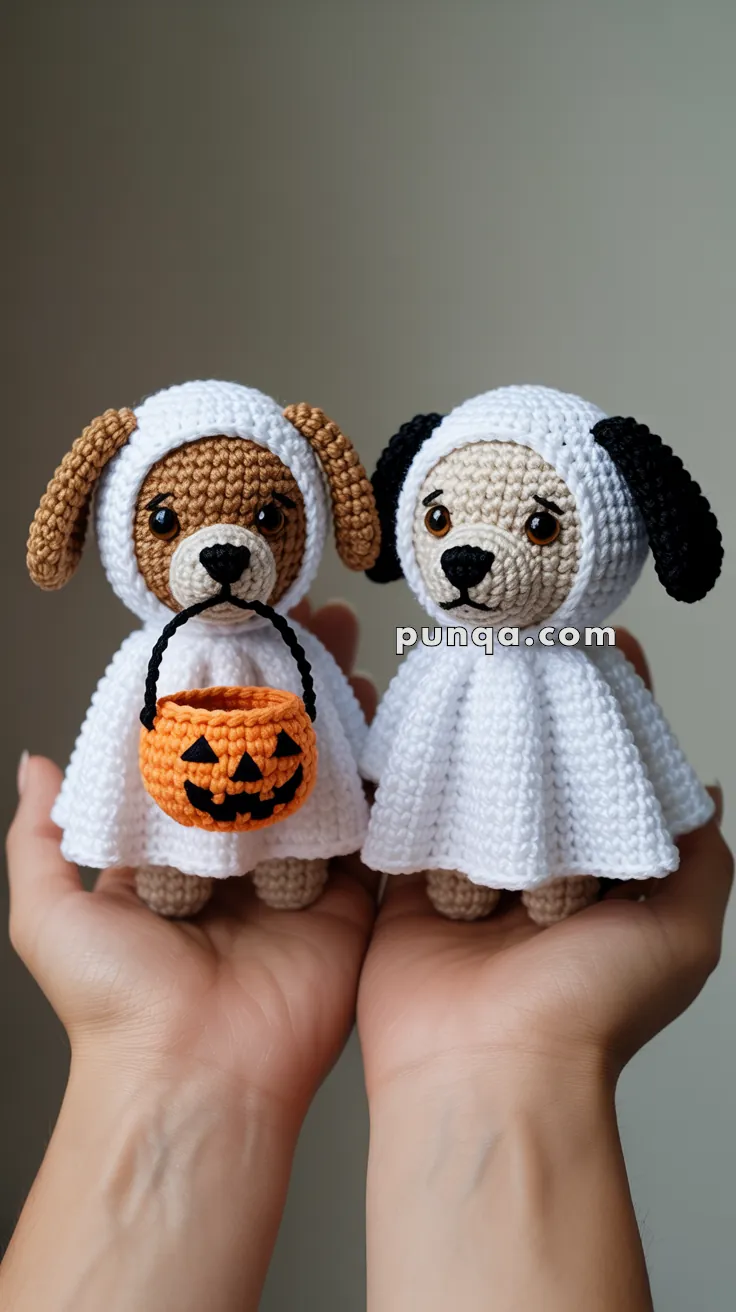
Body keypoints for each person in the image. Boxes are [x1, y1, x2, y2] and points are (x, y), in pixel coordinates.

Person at [1, 603, 732, 1312]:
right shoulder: (157, 665)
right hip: (204, 825)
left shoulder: (572, 672)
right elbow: (389, 749)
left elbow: (368, 744)